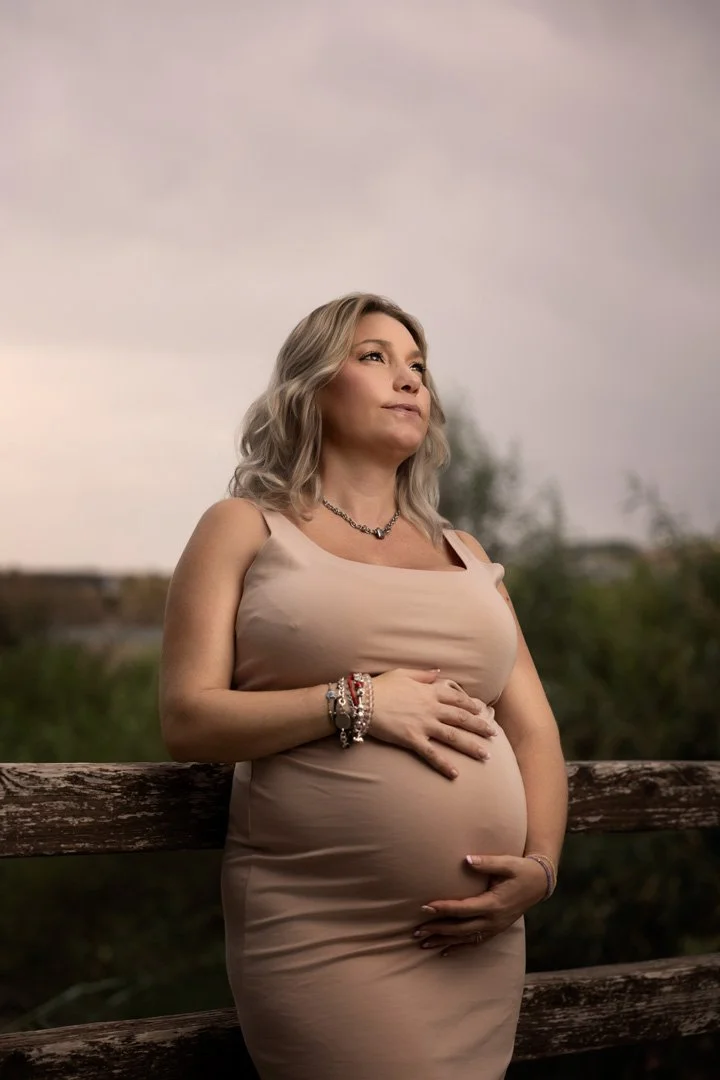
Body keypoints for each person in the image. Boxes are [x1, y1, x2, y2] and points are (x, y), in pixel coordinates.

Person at [159, 293, 568, 1080]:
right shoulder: (244, 527)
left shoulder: (465, 550)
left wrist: (542, 868)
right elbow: (188, 720)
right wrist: (358, 702)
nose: (409, 379)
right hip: (325, 930)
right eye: (375, 357)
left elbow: (535, 731)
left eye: (418, 365)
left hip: (477, 936)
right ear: (310, 386)